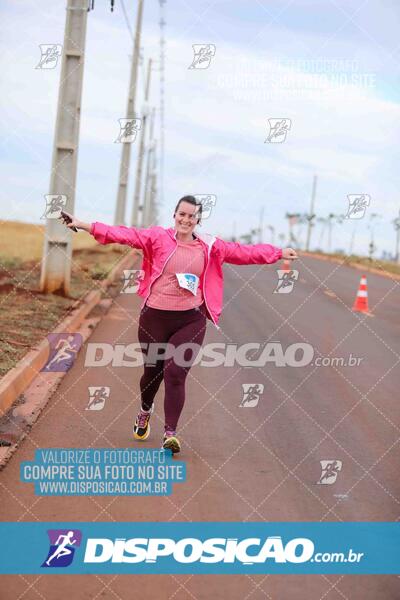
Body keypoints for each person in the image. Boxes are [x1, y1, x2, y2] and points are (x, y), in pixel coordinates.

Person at [59, 196, 297, 453]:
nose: (186, 220)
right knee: (153, 373)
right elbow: (123, 234)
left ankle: (170, 434)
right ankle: (144, 411)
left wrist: (277, 253)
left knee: (175, 374)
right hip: (154, 317)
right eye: (182, 214)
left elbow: (243, 253)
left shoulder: (209, 245)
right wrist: (84, 224)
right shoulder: (157, 237)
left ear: (198, 220)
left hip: (190, 319)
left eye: (191, 216)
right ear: (174, 215)